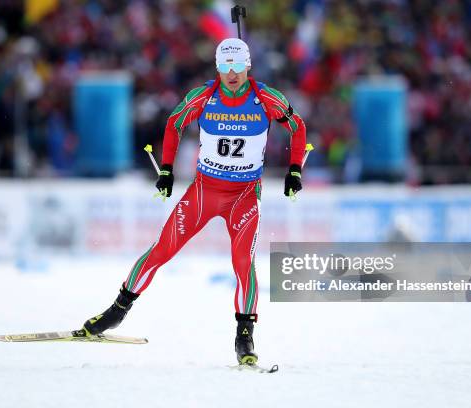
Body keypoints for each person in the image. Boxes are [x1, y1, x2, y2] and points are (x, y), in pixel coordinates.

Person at [81, 38, 307, 364]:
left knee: (244, 264)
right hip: (205, 192)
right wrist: (167, 170)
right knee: (162, 250)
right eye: (226, 66)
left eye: (238, 65)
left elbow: (297, 125)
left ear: (248, 65)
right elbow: (174, 123)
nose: (232, 73)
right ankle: (116, 312)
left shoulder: (265, 98)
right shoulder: (204, 95)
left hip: (244, 196)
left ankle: (244, 336)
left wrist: (295, 170)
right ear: (218, 67)